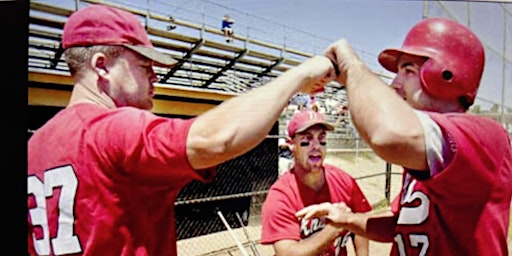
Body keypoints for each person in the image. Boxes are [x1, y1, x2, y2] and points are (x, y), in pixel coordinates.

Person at [27, 4, 335, 256]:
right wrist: (301, 74)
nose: (155, 77)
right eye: (144, 66)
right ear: (102, 65)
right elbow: (216, 139)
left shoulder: (34, 146)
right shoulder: (113, 128)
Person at [296, 17, 512, 255]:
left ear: (446, 74)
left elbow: (386, 134)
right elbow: (400, 224)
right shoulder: (427, 150)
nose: (395, 84)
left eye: (408, 70)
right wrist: (347, 219)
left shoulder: (485, 137)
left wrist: (351, 66)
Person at [261, 110, 372, 256]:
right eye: (306, 141)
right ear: (291, 144)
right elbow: (287, 253)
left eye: (322, 139)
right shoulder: (280, 196)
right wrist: (335, 227)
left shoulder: (344, 181)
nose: (316, 146)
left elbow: (361, 223)